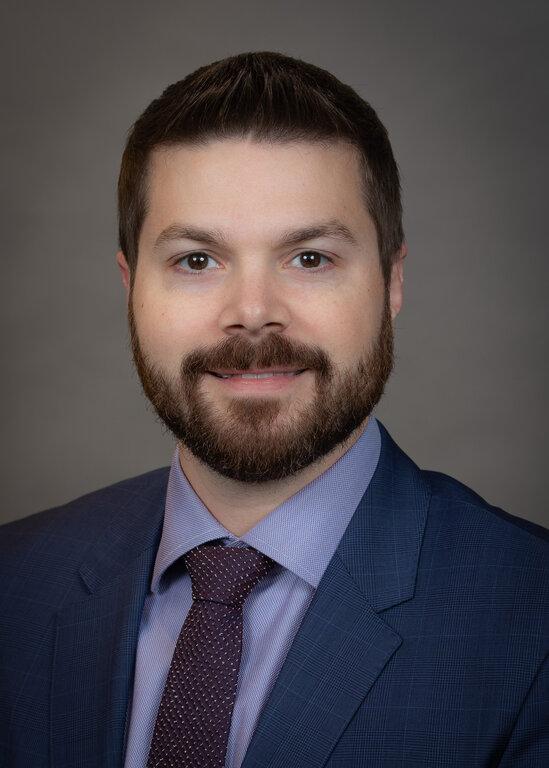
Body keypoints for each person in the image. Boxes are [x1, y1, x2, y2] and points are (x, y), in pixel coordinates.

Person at [1, 50, 547, 768]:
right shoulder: (14, 583)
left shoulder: (531, 622)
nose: (253, 313)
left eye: (310, 258)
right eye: (197, 260)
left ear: (391, 282)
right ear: (130, 287)